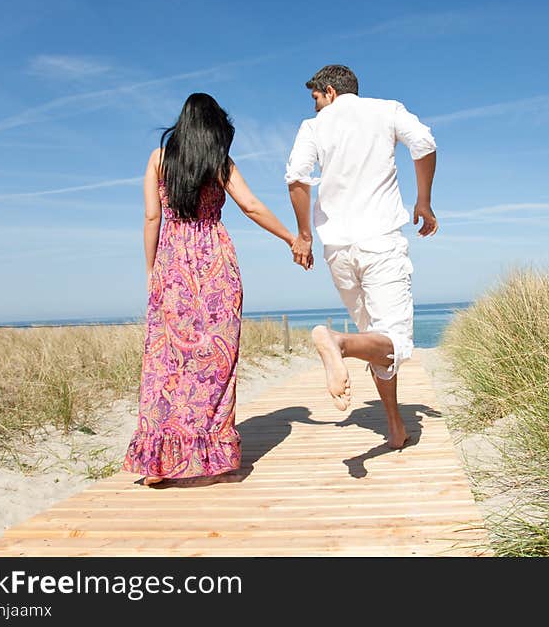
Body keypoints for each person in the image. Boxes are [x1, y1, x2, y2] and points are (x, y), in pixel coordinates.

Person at [123, 93, 297, 486]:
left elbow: (152, 217)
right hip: (214, 262)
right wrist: (290, 238)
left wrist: (152, 270)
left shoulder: (158, 159)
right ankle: (208, 457)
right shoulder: (220, 162)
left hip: (172, 263)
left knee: (166, 364)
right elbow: (250, 206)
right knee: (216, 364)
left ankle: (159, 464)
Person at [285, 65, 438, 449]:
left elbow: (296, 177)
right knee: (394, 340)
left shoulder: (312, 128)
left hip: (337, 249)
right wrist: (424, 202)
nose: (316, 106)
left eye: (316, 98)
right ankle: (339, 343)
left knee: (377, 338)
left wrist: (303, 234)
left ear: (331, 91)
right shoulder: (386, 110)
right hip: (381, 242)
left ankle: (395, 427)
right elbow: (424, 143)